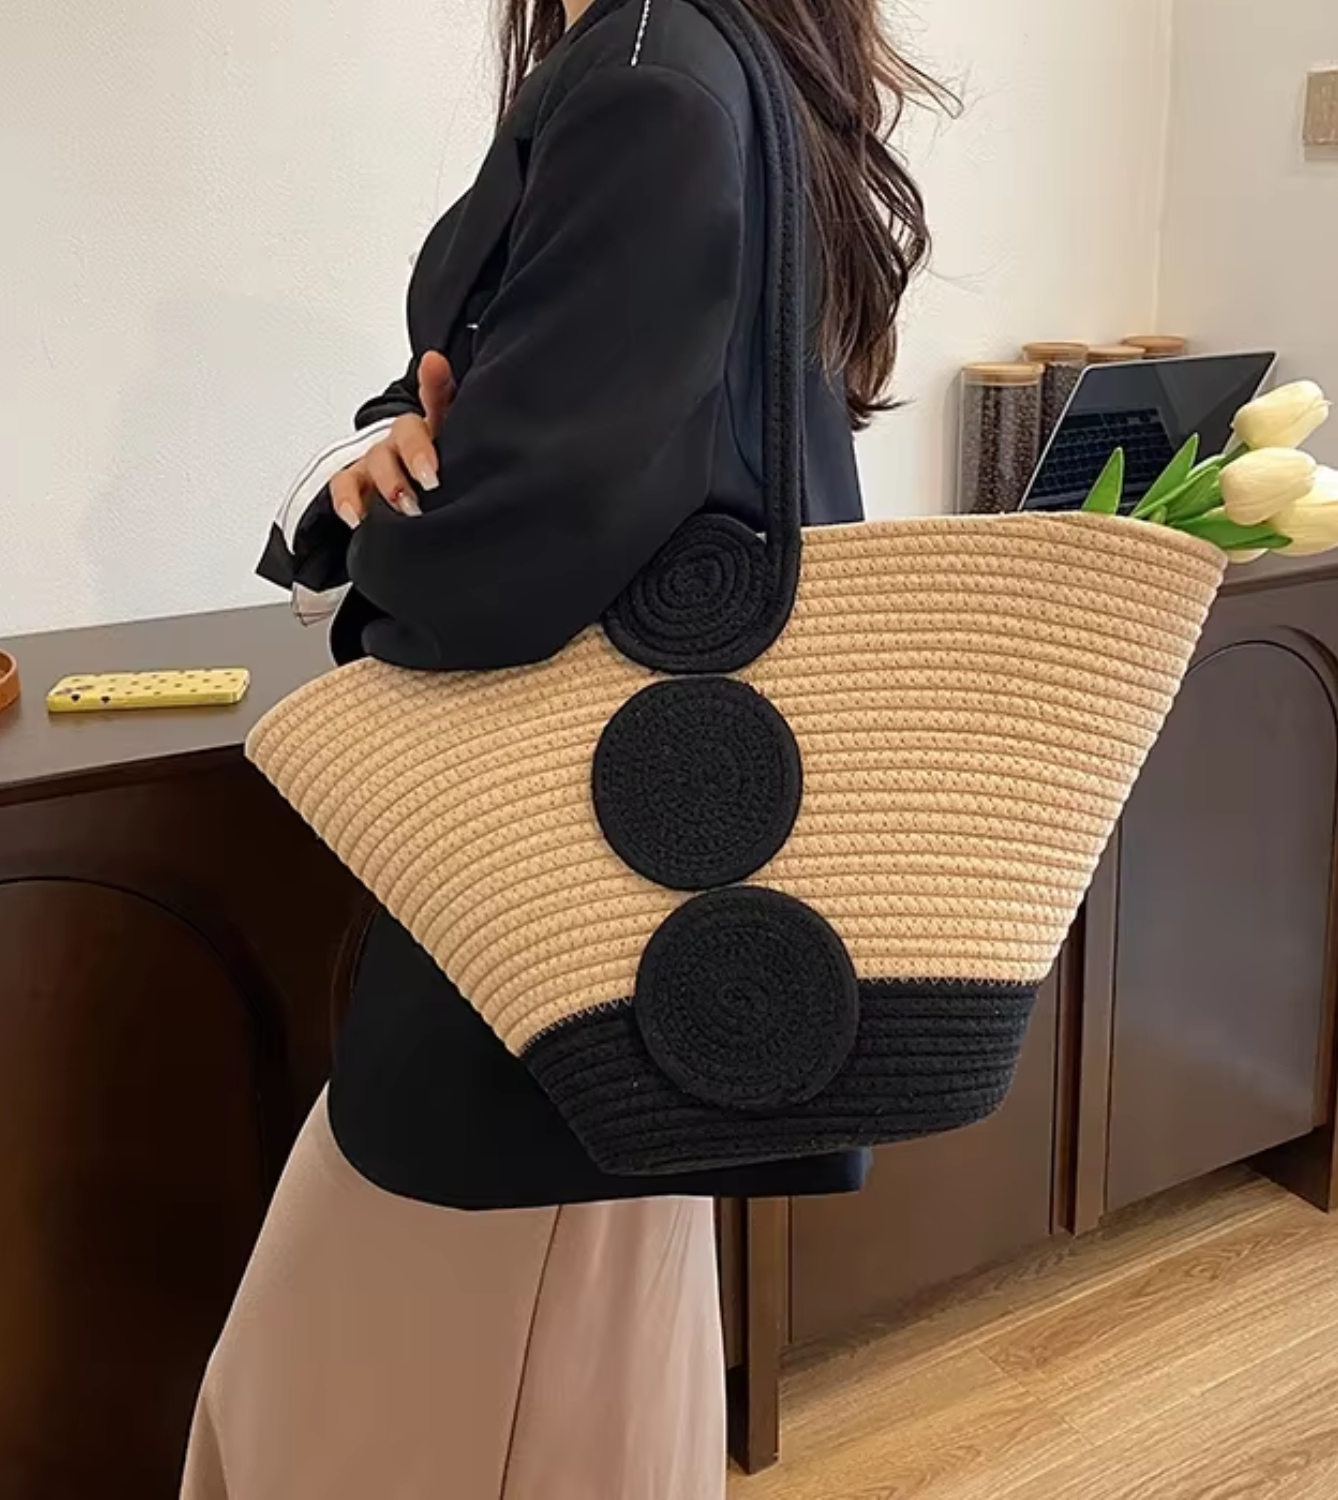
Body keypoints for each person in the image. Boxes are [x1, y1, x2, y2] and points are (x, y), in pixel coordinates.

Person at [182, 0, 938, 1494]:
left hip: (529, 937)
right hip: (617, 903)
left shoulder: (652, 76)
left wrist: (392, 534)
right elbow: (522, 431)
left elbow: (515, 553)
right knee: (563, 1408)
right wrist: (383, 458)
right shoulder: (687, 58)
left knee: (326, 1422)